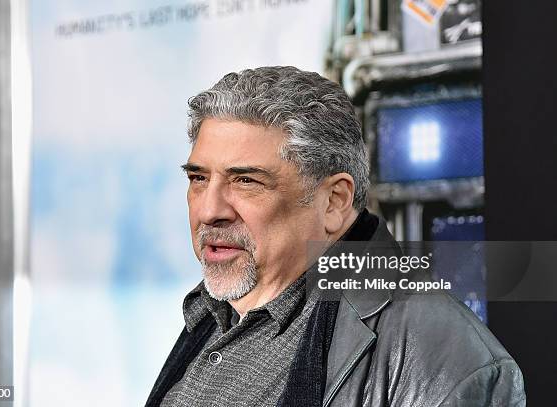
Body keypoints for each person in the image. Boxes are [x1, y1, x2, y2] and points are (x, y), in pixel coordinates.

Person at [145, 66, 525, 406]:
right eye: (198, 178)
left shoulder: (447, 360)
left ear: (335, 201)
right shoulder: (211, 311)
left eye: (246, 180)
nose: (209, 210)